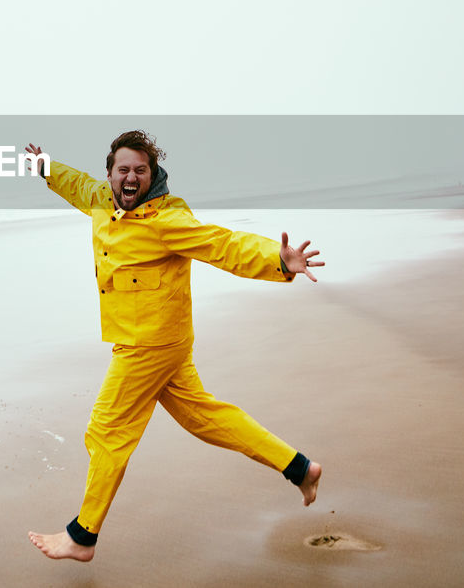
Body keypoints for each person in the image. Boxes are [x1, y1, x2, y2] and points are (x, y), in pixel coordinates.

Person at [24, 130, 325, 563]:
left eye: (140, 171)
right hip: (164, 340)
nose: (131, 178)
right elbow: (74, 184)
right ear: (109, 174)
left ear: (153, 174)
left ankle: (82, 536)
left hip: (148, 344)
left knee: (107, 430)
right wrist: (45, 168)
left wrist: (277, 260)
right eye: (123, 169)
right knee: (204, 416)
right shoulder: (100, 199)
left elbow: (221, 244)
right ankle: (299, 467)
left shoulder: (167, 220)